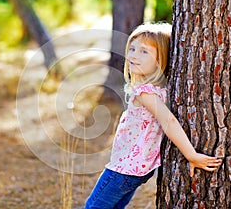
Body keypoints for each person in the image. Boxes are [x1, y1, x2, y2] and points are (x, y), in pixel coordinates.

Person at [84, 23, 222, 209]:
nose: (133, 55)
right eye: (132, 48)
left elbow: (169, 120)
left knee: (93, 206)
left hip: (123, 169)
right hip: (135, 169)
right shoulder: (158, 90)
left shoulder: (145, 93)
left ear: (160, 60)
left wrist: (191, 155)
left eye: (144, 52)